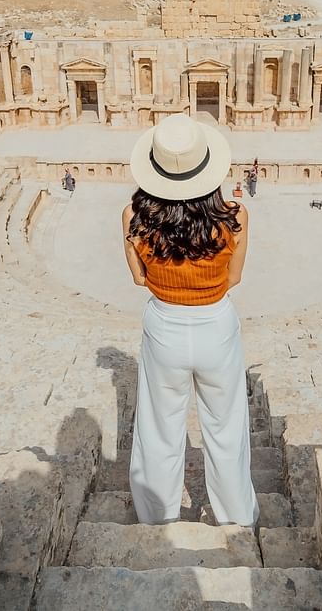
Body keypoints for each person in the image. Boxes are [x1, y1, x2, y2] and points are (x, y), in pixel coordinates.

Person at [123, 114, 257, 526]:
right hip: (216, 326)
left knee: (158, 427)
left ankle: (156, 519)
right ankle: (237, 519)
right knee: (226, 428)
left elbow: (138, 278)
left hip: (164, 326)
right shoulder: (235, 217)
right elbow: (234, 278)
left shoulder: (134, 217)